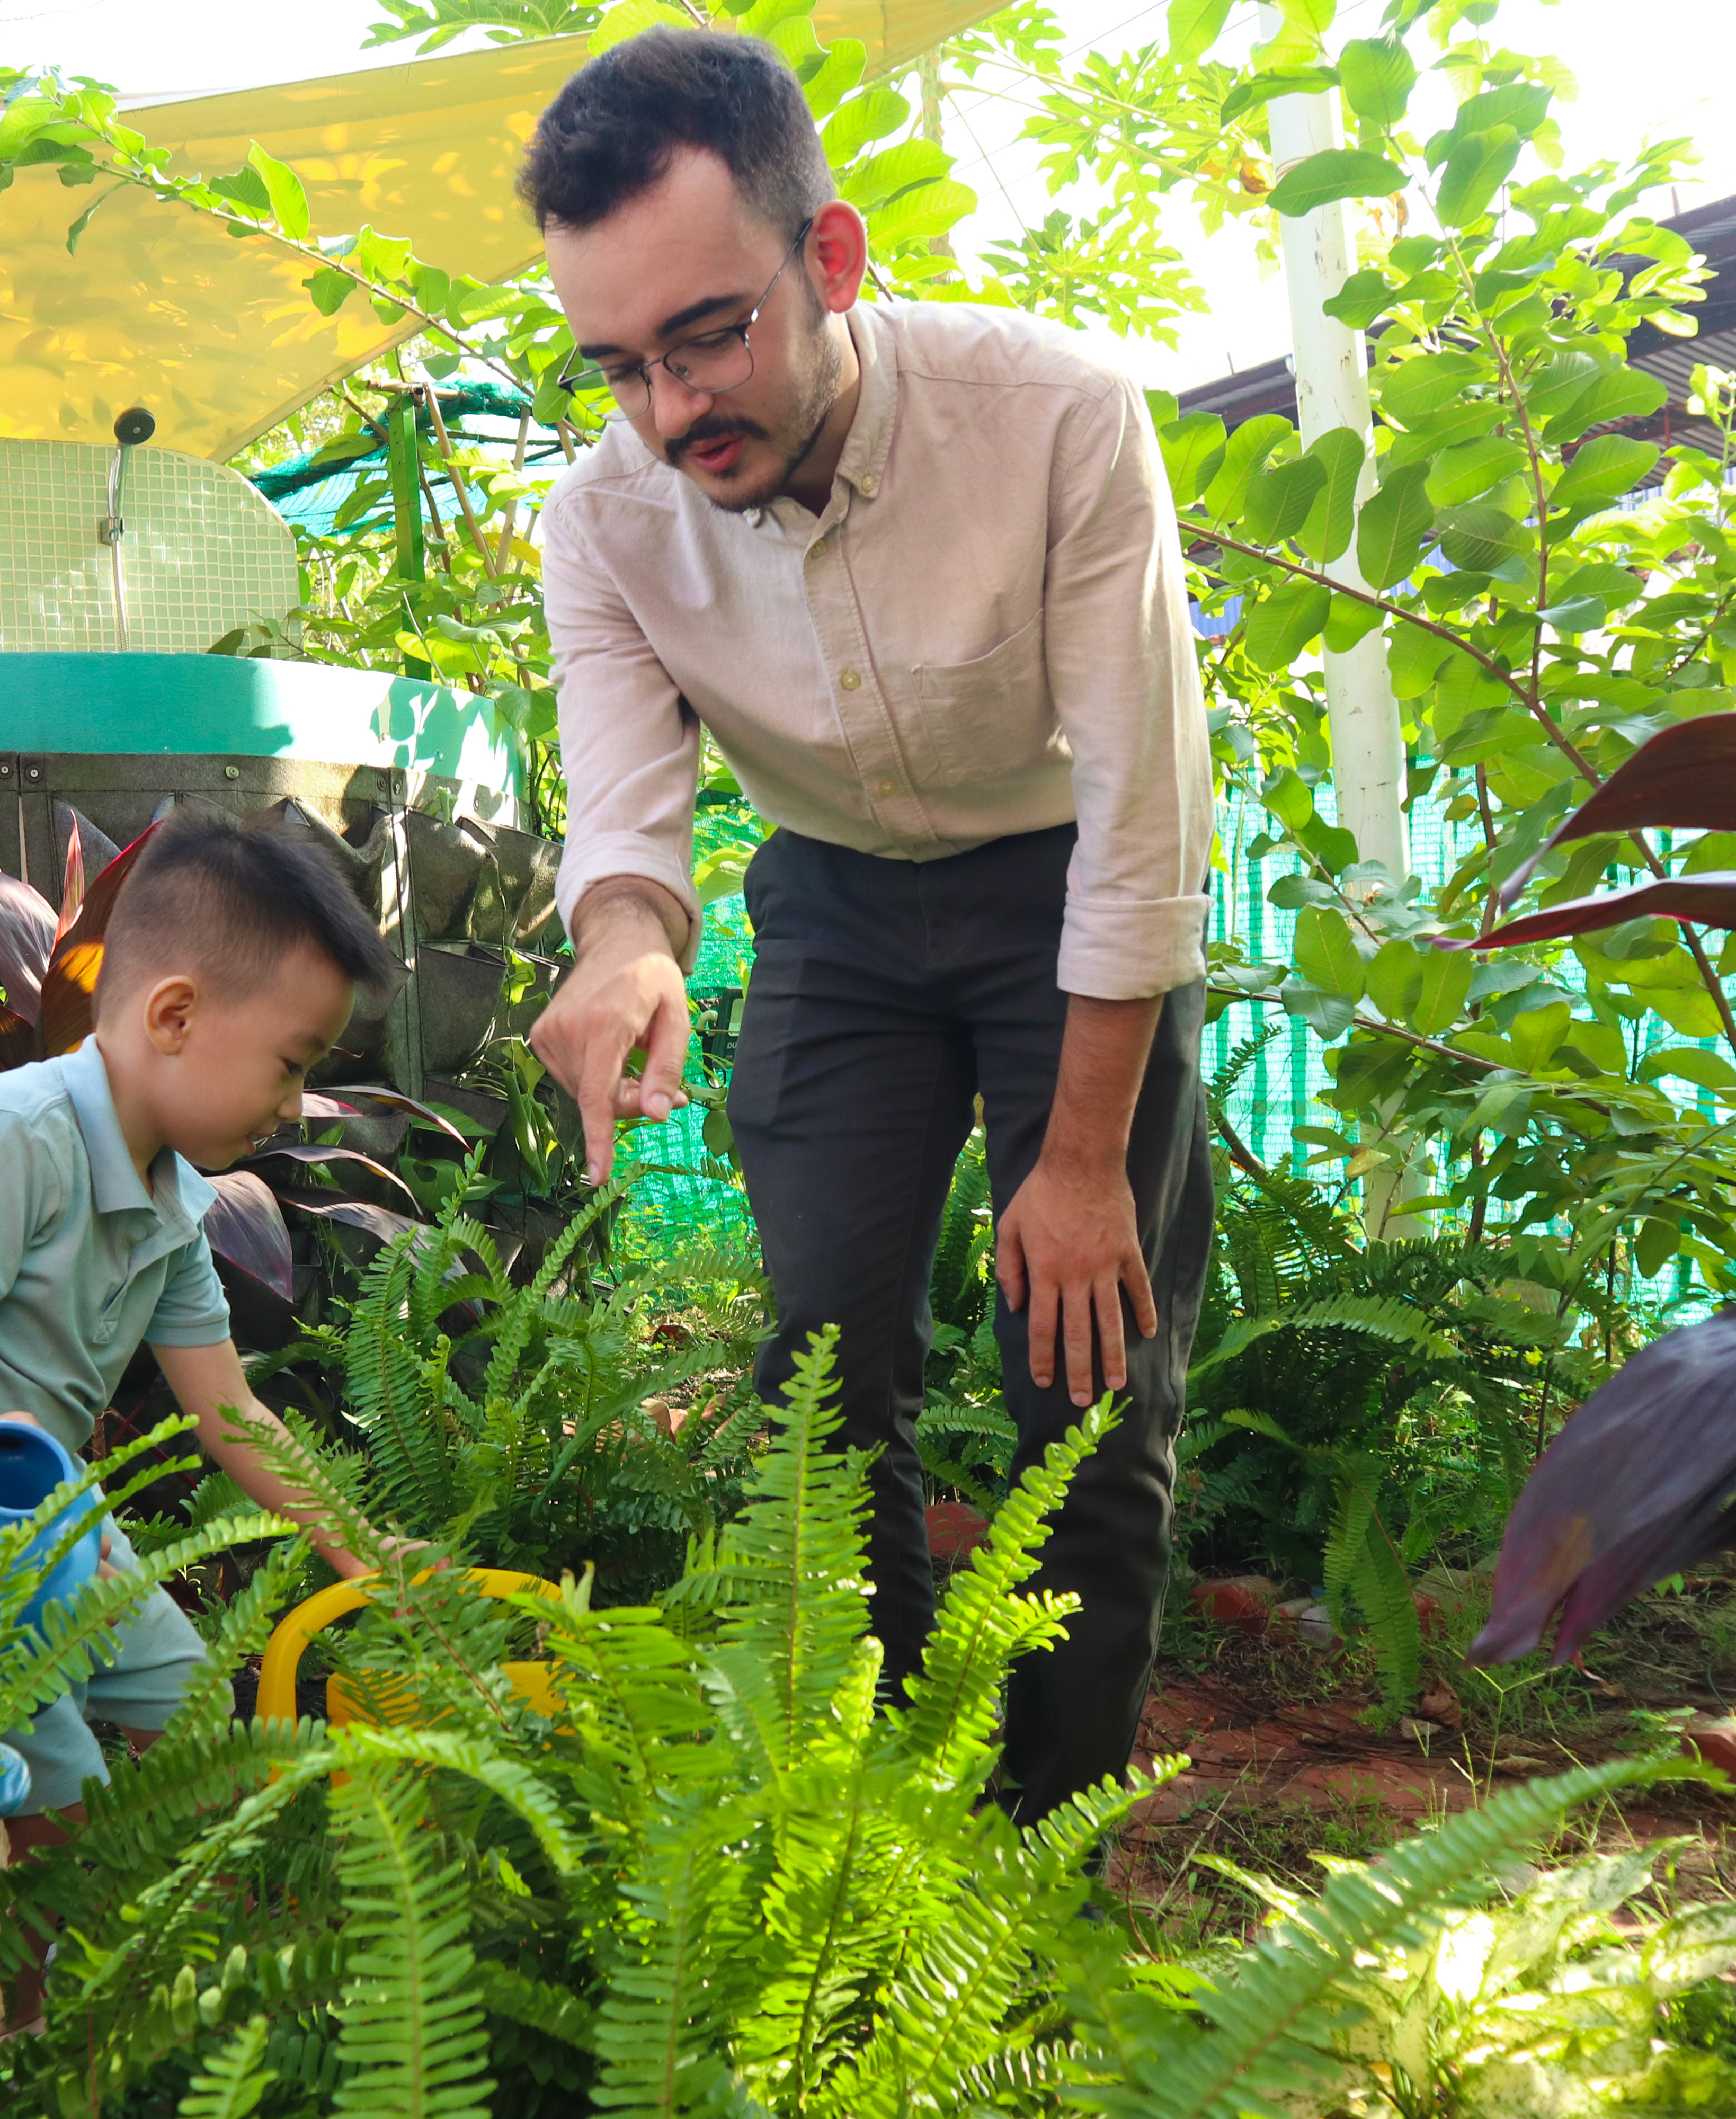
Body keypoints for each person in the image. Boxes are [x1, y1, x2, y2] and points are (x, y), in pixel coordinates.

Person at [519, 29, 1215, 1826]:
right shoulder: (599, 518)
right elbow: (625, 815)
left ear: (826, 260)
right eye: (619, 368)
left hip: (1065, 894)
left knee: (1083, 1379)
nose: (671, 414)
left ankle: (1040, 1854)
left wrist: (1070, 1160)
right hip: (831, 906)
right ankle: (883, 1832)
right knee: (822, 1378)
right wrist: (617, 943)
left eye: (704, 338)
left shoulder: (1054, 416)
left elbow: (1140, 823)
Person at [0, 803, 404, 1842]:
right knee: (57, 1790)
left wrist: (365, 1549)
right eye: (292, 1061)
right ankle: (41, 1993)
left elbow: (229, 1412)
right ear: (174, 1017)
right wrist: (20, 1541)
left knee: (198, 1710)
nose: (299, 1102)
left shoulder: (175, 1195)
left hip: (52, 1524)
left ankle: (203, 1957)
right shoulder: (11, 1140)